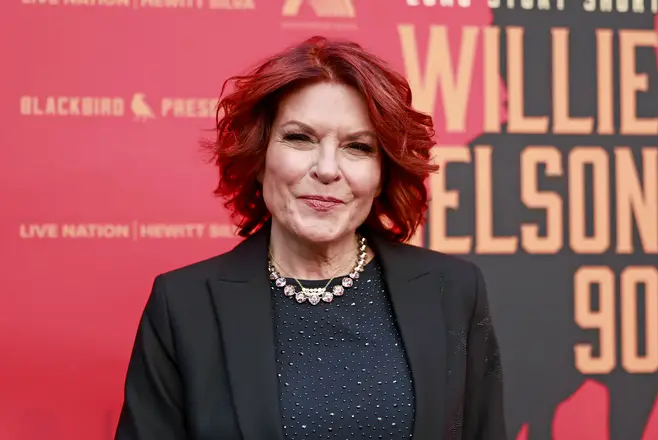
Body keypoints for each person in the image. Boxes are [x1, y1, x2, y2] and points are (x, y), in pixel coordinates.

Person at [114, 36, 506, 440]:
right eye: (300, 138)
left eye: (358, 146)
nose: (327, 169)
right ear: (260, 157)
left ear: (382, 173)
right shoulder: (183, 306)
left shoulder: (452, 291)